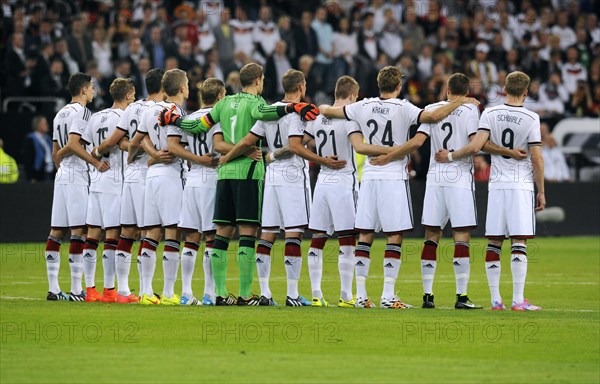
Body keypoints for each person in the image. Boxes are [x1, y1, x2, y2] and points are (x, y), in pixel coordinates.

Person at [158, 62, 319, 306]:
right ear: (258, 81)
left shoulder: (223, 104)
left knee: (222, 233)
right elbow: (267, 116)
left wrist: (176, 121)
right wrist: (294, 106)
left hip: (224, 176)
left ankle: (220, 294)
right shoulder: (257, 104)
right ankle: (245, 294)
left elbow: (197, 125)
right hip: (247, 173)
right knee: (247, 233)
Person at [320, 66, 479, 309]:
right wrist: (461, 101)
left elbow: (327, 111)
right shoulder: (404, 107)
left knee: (365, 235)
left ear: (378, 82)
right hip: (393, 176)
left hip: (369, 176)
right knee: (394, 236)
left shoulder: (362, 105)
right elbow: (431, 118)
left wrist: (320, 108)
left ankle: (361, 296)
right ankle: (387, 296)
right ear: (399, 86)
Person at [370, 73, 527, 310]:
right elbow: (476, 144)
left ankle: (427, 296)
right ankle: (461, 297)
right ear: (466, 92)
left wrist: (389, 156)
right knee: (461, 236)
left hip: (435, 177)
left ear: (447, 90)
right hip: (460, 177)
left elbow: (418, 141)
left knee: (431, 235)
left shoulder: (432, 108)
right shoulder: (471, 111)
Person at [217, 69, 344, 307]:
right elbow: (295, 147)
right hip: (293, 174)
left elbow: (247, 140)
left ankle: (265, 293)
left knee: (268, 234)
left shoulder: (269, 110)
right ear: (301, 86)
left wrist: (227, 157)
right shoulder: (297, 113)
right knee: (293, 234)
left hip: (272, 175)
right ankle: (293, 295)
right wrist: (324, 160)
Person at [435, 71, 545, 311]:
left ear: (504, 88)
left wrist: (451, 155)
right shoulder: (531, 118)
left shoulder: (490, 112)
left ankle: (496, 300)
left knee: (494, 242)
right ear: (526, 91)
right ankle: (518, 300)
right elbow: (536, 158)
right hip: (520, 184)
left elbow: (478, 145)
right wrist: (541, 191)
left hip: (496, 184)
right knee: (519, 241)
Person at [303, 75, 395, 308]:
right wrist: (391, 149)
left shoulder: (317, 117)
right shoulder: (350, 118)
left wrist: (320, 158)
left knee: (317, 239)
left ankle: (316, 294)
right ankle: (345, 295)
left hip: (321, 182)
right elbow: (360, 146)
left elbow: (302, 142)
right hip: (344, 182)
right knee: (347, 241)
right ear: (353, 95)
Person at [95, 68, 167, 303]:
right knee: (150, 231)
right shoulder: (162, 109)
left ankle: (123, 291)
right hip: (150, 172)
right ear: (164, 87)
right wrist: (151, 151)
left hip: (130, 176)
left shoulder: (134, 107)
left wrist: (98, 151)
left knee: (127, 232)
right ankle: (146, 290)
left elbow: (117, 140)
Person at [128, 68, 190, 305]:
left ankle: (145, 292)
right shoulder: (176, 111)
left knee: (151, 233)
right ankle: (168, 293)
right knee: (172, 231)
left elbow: (136, 140)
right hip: (170, 174)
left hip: (150, 176)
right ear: (182, 88)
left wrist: (144, 156)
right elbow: (175, 147)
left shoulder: (150, 110)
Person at [46, 73, 109, 301]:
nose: (93, 91)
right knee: (78, 231)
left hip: (62, 175)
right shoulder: (82, 112)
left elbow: (56, 153)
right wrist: (96, 162)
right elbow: (73, 143)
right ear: (83, 90)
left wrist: (64, 160)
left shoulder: (59, 113)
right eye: (91, 87)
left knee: (56, 231)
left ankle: (53, 289)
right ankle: (76, 290)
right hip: (77, 176)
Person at [76, 78, 135, 303]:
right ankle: (111, 290)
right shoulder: (125, 118)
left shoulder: (96, 116)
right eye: (134, 94)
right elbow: (121, 145)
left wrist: (97, 161)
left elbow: (88, 149)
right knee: (112, 235)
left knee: (92, 234)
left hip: (96, 181)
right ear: (128, 95)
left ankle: (90, 289)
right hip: (115, 181)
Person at [167, 78, 226, 305]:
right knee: (211, 236)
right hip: (212, 177)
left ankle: (186, 292)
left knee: (191, 237)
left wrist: (194, 159)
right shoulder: (217, 119)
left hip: (191, 179)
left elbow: (176, 147)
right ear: (220, 97)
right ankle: (210, 293)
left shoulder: (188, 118)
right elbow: (220, 146)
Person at [22, 116, 55, 182]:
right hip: (38, 175)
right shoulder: (30, 139)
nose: (47, 125)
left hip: (50, 173)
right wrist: (31, 177)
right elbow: (28, 159)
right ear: (38, 125)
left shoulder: (48, 139)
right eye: (44, 123)